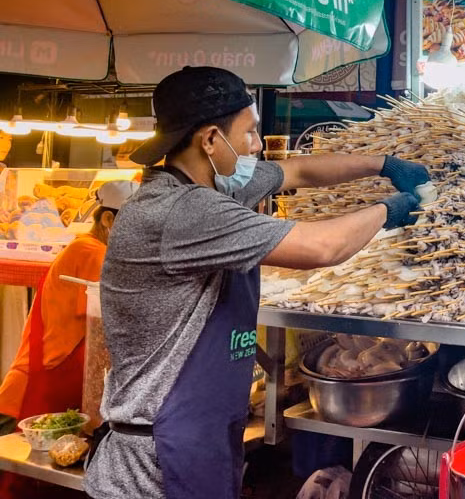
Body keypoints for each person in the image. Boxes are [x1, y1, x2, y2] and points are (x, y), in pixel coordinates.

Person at [84, 67, 428, 499]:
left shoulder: (212, 187)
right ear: (210, 140)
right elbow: (322, 247)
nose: (257, 145)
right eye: (249, 132)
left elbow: (297, 172)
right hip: (155, 457)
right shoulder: (182, 211)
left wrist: (383, 164)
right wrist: (390, 210)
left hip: (199, 434)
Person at [0, 180, 138, 432]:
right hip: (36, 390)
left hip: (41, 383)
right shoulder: (91, 252)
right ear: (108, 219)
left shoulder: (85, 246)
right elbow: (113, 320)